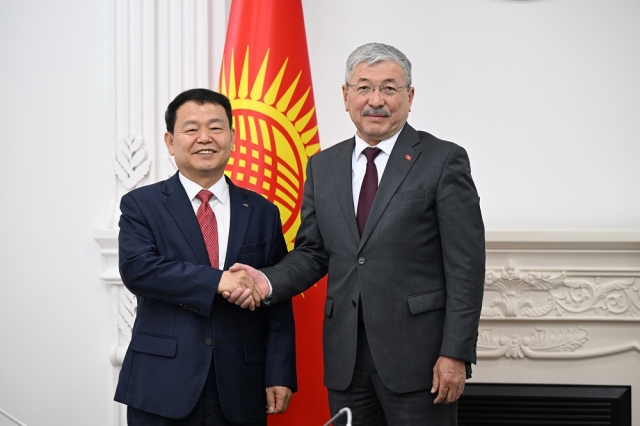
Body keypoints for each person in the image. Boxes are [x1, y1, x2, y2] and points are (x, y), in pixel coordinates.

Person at [229, 43, 485, 425]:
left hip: (421, 361)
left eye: (389, 88)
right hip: (346, 359)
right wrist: (264, 281)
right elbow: (313, 252)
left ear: (410, 97)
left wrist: (455, 353)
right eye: (364, 87)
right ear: (346, 95)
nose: (375, 100)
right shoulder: (322, 166)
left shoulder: (443, 160)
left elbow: (466, 266)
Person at [115, 88, 297, 425]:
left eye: (216, 127)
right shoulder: (142, 205)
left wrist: (280, 371)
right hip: (162, 381)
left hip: (242, 383)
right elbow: (139, 270)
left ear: (232, 137)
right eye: (191, 128)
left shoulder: (262, 211)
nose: (205, 138)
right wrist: (219, 280)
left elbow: (277, 298)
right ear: (171, 142)